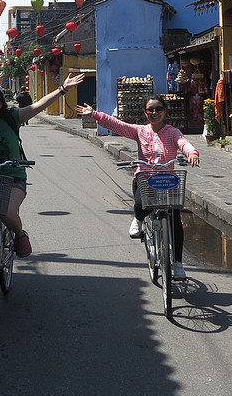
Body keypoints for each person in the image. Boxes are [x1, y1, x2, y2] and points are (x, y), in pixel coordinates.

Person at [0, 73, 87, 259]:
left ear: (1, 103)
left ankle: (19, 234)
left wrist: (62, 89)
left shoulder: (12, 117)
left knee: (6, 212)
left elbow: (39, 105)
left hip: (14, 176)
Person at [75, 96, 199, 280]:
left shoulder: (172, 132)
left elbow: (183, 143)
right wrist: (95, 114)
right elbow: (119, 125)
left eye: (158, 109)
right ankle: (139, 219)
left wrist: (192, 153)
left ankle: (178, 264)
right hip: (146, 177)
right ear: (145, 112)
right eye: (150, 110)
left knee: (174, 219)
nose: (154, 113)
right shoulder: (140, 131)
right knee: (141, 203)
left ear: (164, 111)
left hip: (167, 180)